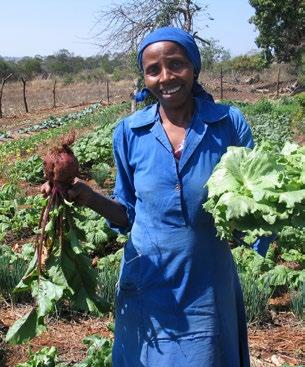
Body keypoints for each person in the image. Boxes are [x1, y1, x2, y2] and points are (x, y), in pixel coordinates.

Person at [43, 27, 254, 366]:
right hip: (147, 280)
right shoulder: (129, 132)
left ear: (194, 67)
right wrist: (83, 194)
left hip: (206, 282)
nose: (166, 76)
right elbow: (127, 213)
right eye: (153, 69)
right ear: (144, 77)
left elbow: (253, 200)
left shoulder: (228, 123)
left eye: (176, 64)